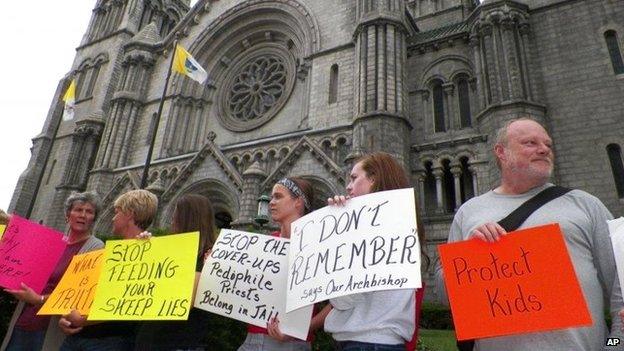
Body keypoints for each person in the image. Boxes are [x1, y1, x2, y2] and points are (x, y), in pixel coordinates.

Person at [435, 118, 624, 350]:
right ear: (501, 152)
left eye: (548, 144)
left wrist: (614, 345)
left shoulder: (586, 204)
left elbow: (620, 287)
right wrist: (467, 255)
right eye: (530, 143)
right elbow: (447, 298)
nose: (544, 149)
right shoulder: (468, 212)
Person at [325, 152, 425, 351]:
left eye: (354, 178)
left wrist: (338, 235)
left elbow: (343, 299)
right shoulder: (402, 225)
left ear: (374, 178)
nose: (348, 186)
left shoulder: (374, 231)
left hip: (365, 343)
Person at [1, 191, 104, 351]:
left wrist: (39, 299)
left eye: (89, 212)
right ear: (68, 214)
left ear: (94, 219)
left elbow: (77, 294)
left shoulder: (95, 248)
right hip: (24, 321)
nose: (82, 215)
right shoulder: (54, 243)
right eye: (78, 210)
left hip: (51, 329)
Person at [59, 189, 159, 351]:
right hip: (78, 336)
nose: (113, 218)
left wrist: (82, 320)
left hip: (111, 341)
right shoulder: (107, 252)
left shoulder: (149, 252)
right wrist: (66, 318)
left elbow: (126, 304)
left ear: (130, 214)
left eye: (117, 212)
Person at [239, 177, 327, 351]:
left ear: (298, 202)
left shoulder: (316, 246)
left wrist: (299, 329)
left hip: (291, 344)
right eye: (272, 197)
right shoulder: (267, 243)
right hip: (252, 340)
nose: (271, 202)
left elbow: (337, 303)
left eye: (278, 197)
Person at [134, 194, 216, 350]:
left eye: (176, 215)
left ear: (187, 219)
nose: (172, 220)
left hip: (177, 343)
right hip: (151, 340)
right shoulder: (171, 251)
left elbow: (185, 300)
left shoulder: (207, 258)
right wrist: (146, 251)